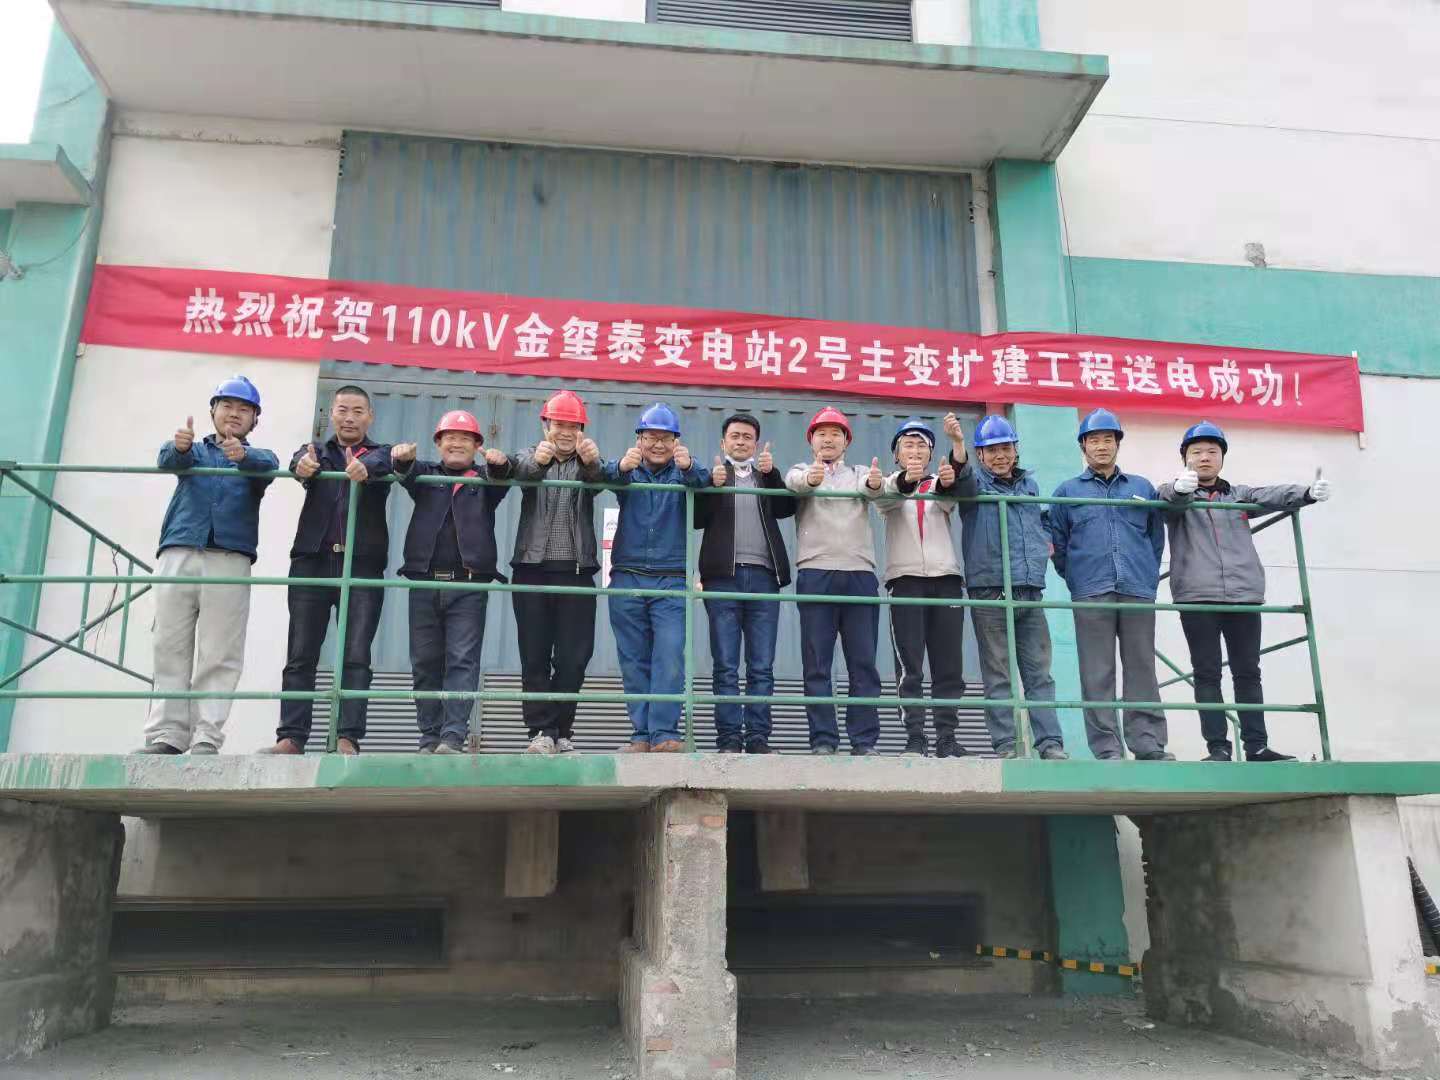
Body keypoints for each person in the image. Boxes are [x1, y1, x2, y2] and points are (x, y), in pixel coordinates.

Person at [1158, 420, 1332, 762]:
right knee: (1207, 672)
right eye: (1196, 452)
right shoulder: (1174, 493)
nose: (1204, 458)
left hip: (1243, 595)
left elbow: (1271, 495)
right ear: (1185, 458)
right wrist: (1179, 489)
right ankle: (1219, 748)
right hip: (1198, 596)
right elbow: (1167, 501)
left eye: (1212, 451)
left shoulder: (1237, 495)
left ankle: (1256, 745)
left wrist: (1308, 493)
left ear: (1222, 457)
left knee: (1248, 671)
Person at [136, 376, 278, 755]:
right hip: (179, 551)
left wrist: (242, 456)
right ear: (212, 411)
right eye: (227, 406)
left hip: (229, 558)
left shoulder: (257, 459)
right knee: (169, 645)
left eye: (244, 409)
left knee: (220, 651)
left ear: (255, 419)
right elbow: (169, 459)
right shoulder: (194, 452)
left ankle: (206, 735)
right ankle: (167, 735)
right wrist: (179, 446)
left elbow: (268, 465)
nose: (234, 414)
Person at [263, 385, 394, 756]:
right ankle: (291, 736)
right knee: (301, 652)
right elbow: (298, 463)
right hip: (313, 562)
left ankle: (347, 736)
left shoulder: (380, 454)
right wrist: (300, 466)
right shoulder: (316, 453)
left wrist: (366, 468)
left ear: (370, 417)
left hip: (361, 565)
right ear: (331, 414)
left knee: (356, 655)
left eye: (357, 411)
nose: (349, 418)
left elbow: (387, 463)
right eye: (342, 410)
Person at [1046, 408, 1172, 761]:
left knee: (1142, 667)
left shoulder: (1141, 488)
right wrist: (1076, 578)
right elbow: (1059, 544)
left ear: (1117, 444)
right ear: (1083, 446)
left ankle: (1148, 743)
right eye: (1094, 440)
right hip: (1090, 591)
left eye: (1107, 439)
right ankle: (1107, 747)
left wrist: (1146, 576)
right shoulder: (1067, 492)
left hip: (1137, 589)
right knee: (1096, 672)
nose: (1101, 446)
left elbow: (1155, 538)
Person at [390, 410, 512, 754]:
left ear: (476, 445)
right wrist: (402, 459)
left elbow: (502, 476)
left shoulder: (484, 480)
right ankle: (430, 737)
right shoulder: (426, 475)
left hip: (468, 586)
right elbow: (404, 471)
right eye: (450, 437)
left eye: (465, 438)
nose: (456, 443)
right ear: (438, 443)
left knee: (462, 660)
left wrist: (500, 464)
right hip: (425, 583)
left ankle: (453, 736)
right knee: (424, 662)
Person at [956, 415, 1068, 760]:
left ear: (1015, 449)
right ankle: (1006, 745)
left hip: (1029, 591)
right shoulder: (974, 483)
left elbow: (1041, 522)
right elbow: (961, 478)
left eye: (1006, 448)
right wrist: (957, 445)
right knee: (999, 674)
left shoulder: (1029, 486)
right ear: (980, 454)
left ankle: (1050, 743)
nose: (1000, 455)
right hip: (991, 592)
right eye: (992, 450)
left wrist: (1043, 544)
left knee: (1040, 674)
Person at [602, 403, 710, 753]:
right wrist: (621, 466)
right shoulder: (628, 472)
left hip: (670, 579)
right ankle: (641, 734)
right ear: (639, 439)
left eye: (666, 438)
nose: (658, 444)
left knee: (670, 655)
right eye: (651, 437)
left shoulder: (684, 474)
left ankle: (664, 732)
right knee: (633, 659)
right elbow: (603, 475)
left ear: (676, 441)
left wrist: (689, 465)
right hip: (627, 577)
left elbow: (704, 480)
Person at [784, 406, 886, 756]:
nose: (828, 440)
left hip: (859, 573)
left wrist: (875, 483)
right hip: (816, 571)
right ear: (811, 440)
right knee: (817, 663)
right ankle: (823, 739)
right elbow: (794, 484)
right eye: (821, 434)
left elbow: (876, 488)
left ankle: (864, 740)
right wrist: (812, 479)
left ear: (846, 441)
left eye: (835, 434)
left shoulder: (860, 473)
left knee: (863, 661)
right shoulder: (801, 469)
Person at [509, 390, 604, 755]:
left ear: (582, 430)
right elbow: (523, 472)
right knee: (534, 654)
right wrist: (541, 460)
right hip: (532, 570)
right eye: (559, 424)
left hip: (576, 572)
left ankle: (562, 730)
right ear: (545, 425)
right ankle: (540, 731)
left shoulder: (587, 460)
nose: (565, 432)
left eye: (573, 426)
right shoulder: (529, 454)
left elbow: (600, 478)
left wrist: (592, 462)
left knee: (574, 657)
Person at [695, 412, 794, 754]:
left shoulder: (765, 476)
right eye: (735, 436)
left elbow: (787, 508)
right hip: (723, 580)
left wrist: (773, 473)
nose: (741, 441)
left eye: (747, 437)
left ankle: (757, 737)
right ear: (723, 442)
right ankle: (728, 739)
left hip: (764, 578)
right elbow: (696, 518)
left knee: (761, 666)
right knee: (725, 665)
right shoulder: (715, 476)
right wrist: (711, 486)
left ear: (756, 443)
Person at [876, 414, 971, 758]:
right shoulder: (887, 484)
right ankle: (915, 736)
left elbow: (950, 493)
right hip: (904, 581)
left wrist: (957, 446)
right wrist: (906, 480)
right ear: (896, 454)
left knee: (949, 665)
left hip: (945, 580)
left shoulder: (939, 484)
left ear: (931, 453)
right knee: (909, 665)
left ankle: (947, 737)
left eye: (921, 446)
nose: (915, 451)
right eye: (907, 445)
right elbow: (887, 499)